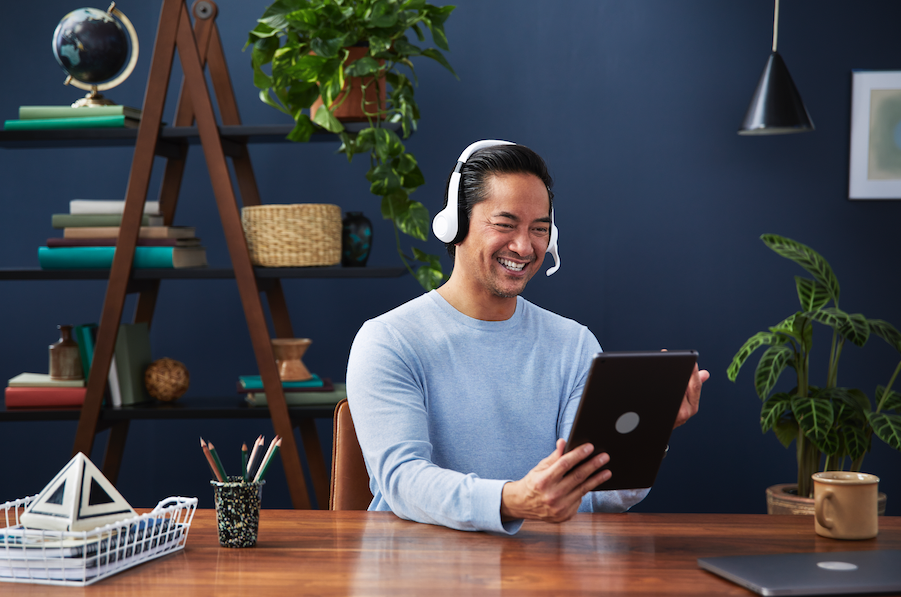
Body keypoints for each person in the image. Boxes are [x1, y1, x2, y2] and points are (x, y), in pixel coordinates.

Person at [346, 141, 709, 534]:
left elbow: (595, 497)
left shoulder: (574, 344)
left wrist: (647, 434)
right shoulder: (388, 340)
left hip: (547, 571)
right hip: (423, 569)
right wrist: (511, 501)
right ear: (456, 223)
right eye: (505, 225)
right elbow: (404, 482)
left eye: (539, 229)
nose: (524, 246)